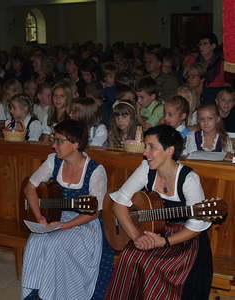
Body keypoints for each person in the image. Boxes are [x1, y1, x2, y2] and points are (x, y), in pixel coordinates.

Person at [106, 124, 212, 300]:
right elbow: (118, 204)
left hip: (183, 240)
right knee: (129, 256)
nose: (145, 153)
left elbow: (196, 227)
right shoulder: (146, 169)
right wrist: (136, 237)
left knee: (149, 263)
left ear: (169, 150)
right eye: (146, 146)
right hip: (152, 231)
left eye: (151, 147)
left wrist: (164, 242)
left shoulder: (188, 178)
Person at [21, 119, 107, 300]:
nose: (54, 146)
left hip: (84, 223)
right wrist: (39, 218)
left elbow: (93, 213)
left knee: (55, 244)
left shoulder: (96, 171)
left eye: (59, 141)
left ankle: (60, 294)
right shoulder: (53, 161)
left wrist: (64, 226)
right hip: (56, 217)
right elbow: (30, 188)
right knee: (35, 241)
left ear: (76, 143)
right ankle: (37, 293)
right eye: (54, 139)